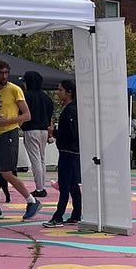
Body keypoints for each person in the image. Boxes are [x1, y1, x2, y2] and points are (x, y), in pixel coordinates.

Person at [0, 59, 41, 220]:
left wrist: (7, 121)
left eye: (6, 72)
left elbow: (26, 115)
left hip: (9, 133)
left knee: (7, 172)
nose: (4, 76)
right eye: (0, 73)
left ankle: (32, 200)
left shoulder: (15, 90)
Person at [44, 79, 81, 227]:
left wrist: (54, 132)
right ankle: (76, 214)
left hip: (68, 151)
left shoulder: (70, 110)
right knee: (72, 185)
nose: (58, 93)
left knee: (65, 185)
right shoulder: (71, 109)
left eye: (60, 90)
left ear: (69, 92)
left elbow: (70, 133)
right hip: (70, 151)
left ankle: (58, 216)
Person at [20, 70, 54, 197]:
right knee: (42, 159)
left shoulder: (25, 97)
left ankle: (39, 188)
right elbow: (50, 117)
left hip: (30, 130)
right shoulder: (47, 98)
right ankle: (41, 186)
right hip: (44, 130)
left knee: (35, 161)